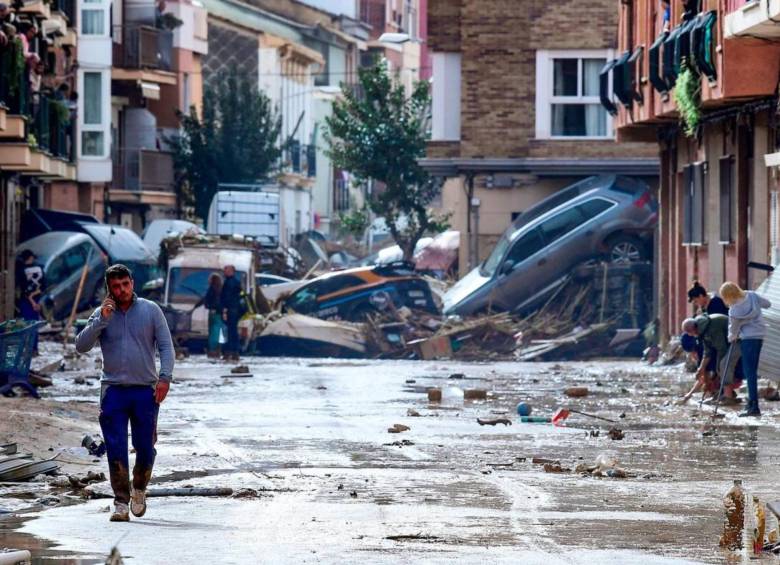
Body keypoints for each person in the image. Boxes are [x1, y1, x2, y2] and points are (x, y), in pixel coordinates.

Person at [75, 264, 174, 522]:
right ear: (109, 289)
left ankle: (139, 487)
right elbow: (81, 345)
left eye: (125, 284)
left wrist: (165, 378)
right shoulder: (102, 314)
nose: (121, 290)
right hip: (113, 392)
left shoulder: (151, 311)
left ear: (132, 282)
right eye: (116, 287)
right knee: (116, 447)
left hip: (145, 391)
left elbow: (166, 346)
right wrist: (101, 320)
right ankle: (120, 501)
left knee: (145, 447)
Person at [720, 281, 771, 418]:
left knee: (750, 373)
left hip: (747, 339)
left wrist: (732, 337)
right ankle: (750, 404)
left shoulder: (734, 310)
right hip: (760, 335)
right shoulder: (752, 295)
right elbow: (768, 304)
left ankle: (753, 406)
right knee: (752, 371)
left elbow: (733, 332)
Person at [679, 314, 742, 405]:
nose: (692, 335)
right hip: (729, 341)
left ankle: (728, 397)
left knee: (723, 365)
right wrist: (701, 368)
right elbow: (707, 351)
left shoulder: (711, 327)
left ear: (693, 329)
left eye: (690, 333)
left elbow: (722, 349)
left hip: (739, 339)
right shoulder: (702, 330)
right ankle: (726, 394)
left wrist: (718, 368)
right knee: (720, 368)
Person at [16, 249, 44, 354]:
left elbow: (23, 289)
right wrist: (37, 303)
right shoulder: (40, 268)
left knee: (26, 325)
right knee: (34, 325)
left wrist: (31, 301)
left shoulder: (21, 271)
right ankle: (34, 349)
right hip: (36, 300)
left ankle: (27, 350)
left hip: (27, 302)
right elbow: (43, 286)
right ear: (31, 258)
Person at [195, 272, 223, 358]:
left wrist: (197, 306)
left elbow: (206, 299)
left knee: (213, 332)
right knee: (217, 332)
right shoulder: (220, 289)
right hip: (219, 313)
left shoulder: (212, 289)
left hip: (213, 312)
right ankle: (217, 350)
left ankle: (212, 350)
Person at [219, 265, 243, 361]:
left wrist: (224, 309)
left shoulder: (230, 283)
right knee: (232, 331)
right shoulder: (235, 282)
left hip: (231, 310)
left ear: (232, 271)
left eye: (227, 270)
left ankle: (230, 352)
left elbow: (226, 297)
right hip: (234, 310)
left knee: (230, 332)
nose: (225, 272)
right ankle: (233, 352)